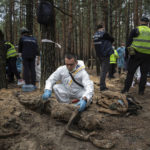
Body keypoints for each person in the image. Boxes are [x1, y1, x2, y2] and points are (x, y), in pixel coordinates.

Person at [122, 16, 150, 95]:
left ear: (140, 21)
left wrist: (127, 55)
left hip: (136, 54)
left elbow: (129, 42)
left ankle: (126, 90)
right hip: (147, 56)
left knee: (130, 73)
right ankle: (141, 91)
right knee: (144, 74)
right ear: (148, 22)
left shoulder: (136, 30)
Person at [93, 23, 114, 91]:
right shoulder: (104, 34)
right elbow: (112, 39)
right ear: (102, 27)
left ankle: (103, 85)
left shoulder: (95, 35)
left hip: (99, 54)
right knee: (104, 71)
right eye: (104, 27)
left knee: (103, 70)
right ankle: (102, 86)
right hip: (105, 54)